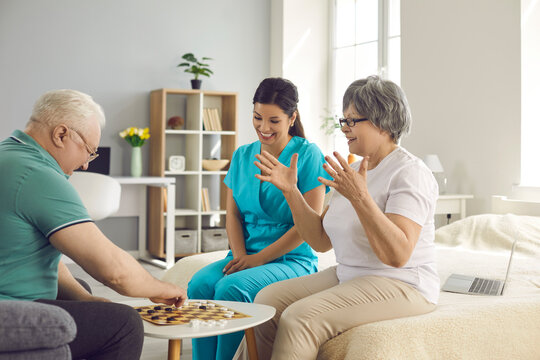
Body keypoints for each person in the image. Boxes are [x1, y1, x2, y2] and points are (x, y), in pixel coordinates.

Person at [252, 76, 440, 360]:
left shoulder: (409, 172)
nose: (345, 129)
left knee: (299, 317)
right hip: (351, 275)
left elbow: (398, 254)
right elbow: (320, 240)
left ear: (383, 122)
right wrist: (291, 191)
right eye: (344, 120)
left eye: (353, 121)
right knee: (265, 303)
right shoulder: (353, 170)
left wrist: (360, 198)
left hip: (403, 283)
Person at [0, 89, 187, 360]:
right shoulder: (38, 175)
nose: (86, 165)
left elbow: (41, 256)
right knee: (123, 324)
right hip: (10, 308)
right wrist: (163, 287)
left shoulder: (10, 155)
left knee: (81, 290)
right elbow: (114, 272)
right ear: (61, 134)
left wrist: (84, 299)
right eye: (88, 151)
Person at [187, 77, 331, 360]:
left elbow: (309, 225)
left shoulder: (308, 154)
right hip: (246, 255)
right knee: (199, 284)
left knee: (231, 288)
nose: (264, 128)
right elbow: (233, 214)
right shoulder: (242, 155)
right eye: (257, 118)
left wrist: (260, 258)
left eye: (274, 121)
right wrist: (240, 255)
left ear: (292, 118)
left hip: (291, 260)